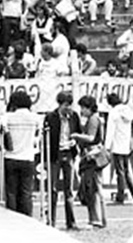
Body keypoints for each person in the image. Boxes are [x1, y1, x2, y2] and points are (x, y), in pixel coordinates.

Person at [0, 90, 40, 215]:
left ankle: (13, 218)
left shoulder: (8, 118)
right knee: (26, 192)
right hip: (28, 158)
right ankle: (28, 219)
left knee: (11, 192)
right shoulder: (35, 118)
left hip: (10, 158)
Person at [45, 90, 81, 229]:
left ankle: (71, 222)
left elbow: (79, 132)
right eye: (66, 105)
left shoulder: (74, 117)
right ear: (60, 104)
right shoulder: (51, 117)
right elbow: (46, 136)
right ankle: (51, 220)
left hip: (69, 153)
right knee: (52, 188)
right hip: (55, 154)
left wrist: (75, 142)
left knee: (69, 189)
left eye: (70, 105)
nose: (69, 108)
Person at [73, 95, 107, 228]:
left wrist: (76, 136)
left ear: (88, 108)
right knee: (96, 187)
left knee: (92, 188)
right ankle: (100, 219)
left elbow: (91, 137)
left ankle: (96, 219)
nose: (81, 110)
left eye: (83, 107)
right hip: (96, 155)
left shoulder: (93, 119)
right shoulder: (97, 118)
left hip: (92, 156)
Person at [105, 92, 133, 205]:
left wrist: (107, 146)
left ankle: (120, 196)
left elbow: (110, 131)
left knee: (119, 172)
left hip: (117, 145)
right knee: (127, 171)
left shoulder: (113, 113)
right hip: (126, 145)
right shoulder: (128, 111)